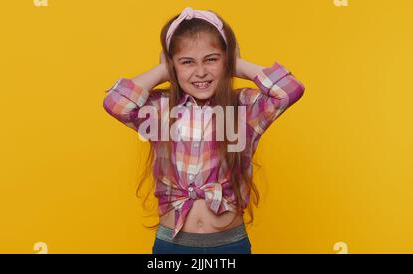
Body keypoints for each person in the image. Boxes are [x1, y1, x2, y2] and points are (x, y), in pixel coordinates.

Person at [102, 6, 305, 254]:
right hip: (172, 246)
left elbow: (289, 89)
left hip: (229, 245)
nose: (200, 72)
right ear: (172, 65)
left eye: (212, 59)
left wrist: (236, 64)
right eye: (187, 62)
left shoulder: (244, 108)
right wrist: (165, 71)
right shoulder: (160, 110)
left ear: (226, 61)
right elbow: (115, 103)